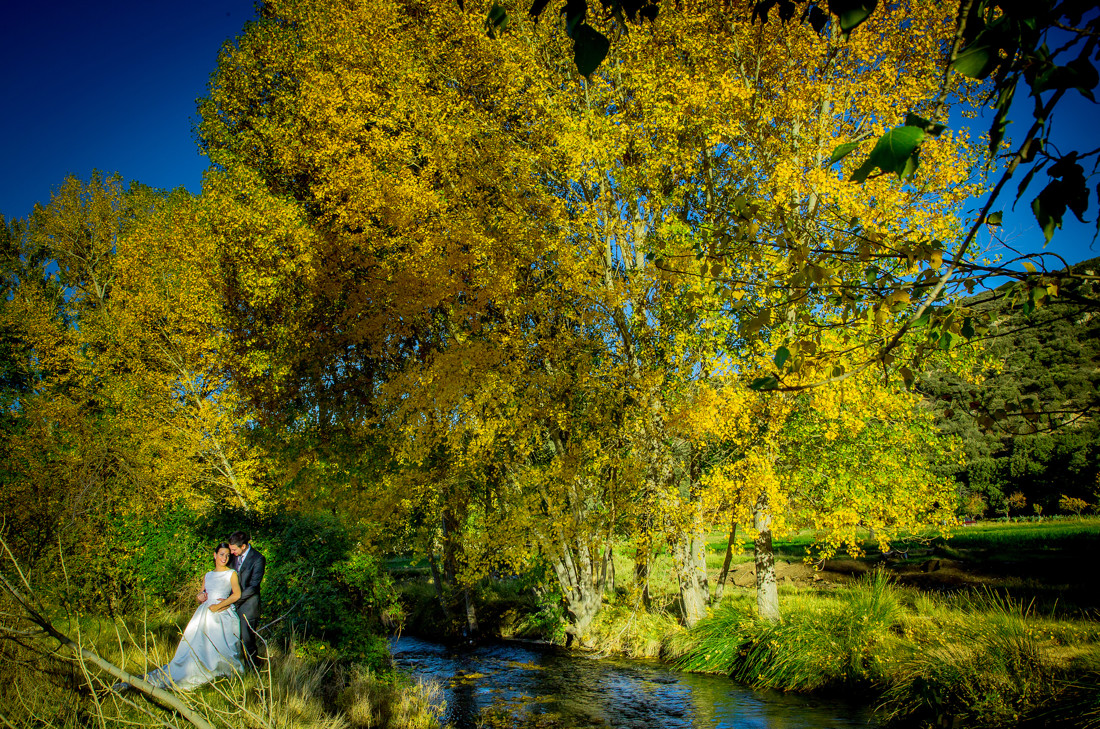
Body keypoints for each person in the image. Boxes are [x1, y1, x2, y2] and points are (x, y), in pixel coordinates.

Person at [140, 542, 244, 690]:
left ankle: (220, 673)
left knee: (220, 644)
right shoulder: (208, 575)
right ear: (215, 555)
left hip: (221, 611)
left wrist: (219, 606)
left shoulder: (231, 574)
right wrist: (200, 597)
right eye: (221, 554)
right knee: (197, 643)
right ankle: (192, 669)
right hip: (205, 612)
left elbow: (237, 594)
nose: (224, 558)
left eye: (227, 555)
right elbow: (201, 593)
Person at [227, 530, 265, 667]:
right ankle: (237, 667)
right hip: (231, 604)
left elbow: (253, 587)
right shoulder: (232, 556)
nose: (231, 552)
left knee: (247, 640)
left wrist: (234, 600)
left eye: (234, 549)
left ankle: (254, 669)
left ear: (243, 546)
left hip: (248, 606)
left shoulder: (258, 559)